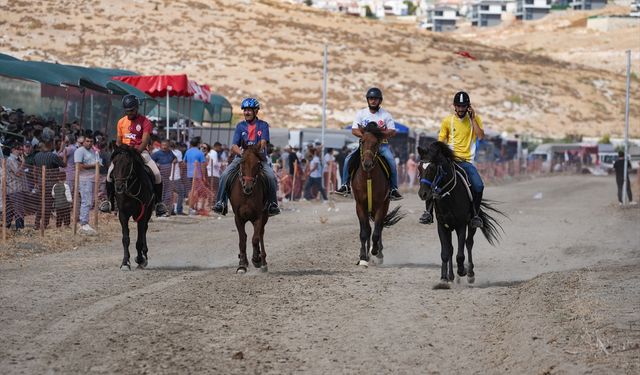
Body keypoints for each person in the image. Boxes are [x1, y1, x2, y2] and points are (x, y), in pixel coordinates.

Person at [420, 91, 484, 228]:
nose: (461, 109)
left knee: (479, 186)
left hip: (466, 161)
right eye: (459, 106)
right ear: (454, 106)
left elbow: (481, 136)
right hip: (449, 160)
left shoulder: (475, 119)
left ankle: (475, 215)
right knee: (433, 180)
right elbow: (441, 140)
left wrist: (473, 119)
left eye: (464, 106)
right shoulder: (447, 121)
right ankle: (428, 212)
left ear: (468, 106)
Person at [100, 95, 168, 216]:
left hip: (140, 152)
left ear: (137, 108)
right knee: (110, 174)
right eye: (127, 111)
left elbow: (145, 141)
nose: (129, 113)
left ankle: (159, 203)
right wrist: (119, 152)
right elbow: (119, 141)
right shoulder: (121, 122)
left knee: (157, 174)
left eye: (131, 110)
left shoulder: (145, 122)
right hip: (124, 153)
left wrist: (135, 153)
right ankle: (109, 201)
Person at [212, 98, 280, 216]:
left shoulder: (263, 125)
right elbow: (234, 146)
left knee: (271, 177)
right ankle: (221, 203)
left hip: (258, 157)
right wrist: (243, 154)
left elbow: (263, 142)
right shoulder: (240, 126)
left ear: (256, 111)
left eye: (249, 110)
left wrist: (254, 152)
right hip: (242, 157)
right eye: (245, 110)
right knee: (224, 175)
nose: (246, 112)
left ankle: (272, 204)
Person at [334, 87, 402, 200]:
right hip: (364, 145)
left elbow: (392, 131)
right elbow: (354, 129)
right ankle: (345, 185)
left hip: (381, 145)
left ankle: (393, 189)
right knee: (347, 160)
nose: (373, 100)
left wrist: (378, 135)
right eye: (371, 98)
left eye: (376, 98)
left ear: (380, 101)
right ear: (367, 100)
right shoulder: (361, 113)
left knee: (391, 162)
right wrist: (367, 137)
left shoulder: (386, 115)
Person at [74, 136, 99, 233]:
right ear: (83, 142)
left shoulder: (93, 151)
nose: (89, 143)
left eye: (91, 141)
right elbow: (79, 166)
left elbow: (97, 162)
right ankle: (83, 223)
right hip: (84, 179)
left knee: (89, 201)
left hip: (92, 178)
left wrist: (97, 164)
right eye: (87, 141)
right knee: (86, 201)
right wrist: (94, 165)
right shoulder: (80, 151)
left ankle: (85, 222)